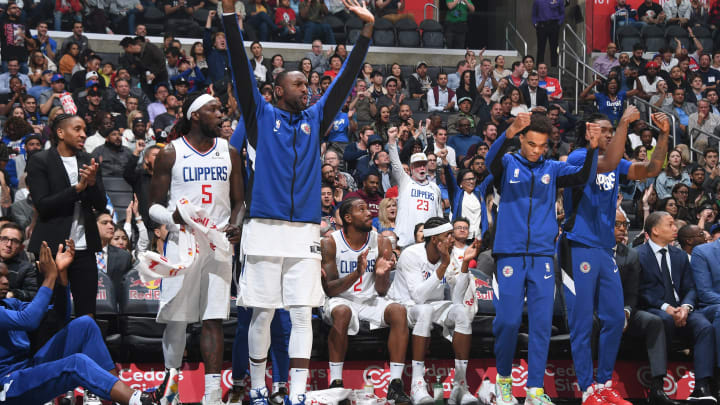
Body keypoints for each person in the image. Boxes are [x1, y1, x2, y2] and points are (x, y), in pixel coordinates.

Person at [222, 0, 375, 403]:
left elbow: (345, 79)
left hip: (304, 229)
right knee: (263, 311)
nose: (306, 90)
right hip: (264, 228)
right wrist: (227, 18)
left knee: (302, 313)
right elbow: (239, 67)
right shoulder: (260, 115)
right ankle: (257, 388)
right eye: (298, 85)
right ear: (276, 90)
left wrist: (366, 33)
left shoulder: (316, 120)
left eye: (307, 86)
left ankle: (298, 393)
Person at [560, 108, 670, 405]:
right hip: (578, 246)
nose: (610, 135)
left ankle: (604, 384)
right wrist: (623, 122)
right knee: (582, 322)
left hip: (604, 249)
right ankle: (586, 390)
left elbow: (650, 170)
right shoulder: (578, 159)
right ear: (589, 132)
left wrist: (664, 135)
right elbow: (607, 162)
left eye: (612, 131)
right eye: (605, 130)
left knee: (613, 318)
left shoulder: (616, 162)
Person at [488, 112, 599, 405]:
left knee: (540, 324)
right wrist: (509, 131)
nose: (537, 150)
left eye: (543, 145)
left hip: (542, 255)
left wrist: (592, 148)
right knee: (509, 322)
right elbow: (491, 162)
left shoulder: (552, 168)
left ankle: (535, 389)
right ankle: (502, 381)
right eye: (532, 144)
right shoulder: (509, 163)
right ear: (522, 139)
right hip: (510, 253)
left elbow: (583, 175)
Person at [148, 92, 244, 405]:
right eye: (214, 110)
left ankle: (213, 394)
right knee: (178, 317)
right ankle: (171, 388)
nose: (222, 114)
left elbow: (240, 200)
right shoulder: (170, 153)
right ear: (195, 115)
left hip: (217, 242)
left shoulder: (229, 151)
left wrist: (237, 224)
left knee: (213, 317)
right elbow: (151, 206)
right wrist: (170, 217)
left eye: (221, 109)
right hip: (183, 241)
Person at [0, 240, 163, 404]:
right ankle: (137, 400)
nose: (6, 281)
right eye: (0, 276)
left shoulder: (10, 304)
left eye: (6, 276)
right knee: (77, 363)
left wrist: (61, 276)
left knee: (85, 324)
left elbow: (58, 317)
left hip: (28, 369)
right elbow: (30, 320)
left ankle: (121, 398)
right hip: (7, 385)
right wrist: (50, 277)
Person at [320, 198, 410, 401]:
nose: (369, 213)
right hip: (340, 300)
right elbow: (330, 290)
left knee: (398, 311)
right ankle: (336, 382)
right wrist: (357, 272)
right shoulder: (330, 242)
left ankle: (395, 384)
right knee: (342, 312)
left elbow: (381, 290)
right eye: (362, 210)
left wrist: (380, 275)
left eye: (368, 209)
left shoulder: (381, 242)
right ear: (348, 218)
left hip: (369, 300)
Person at [388, 217, 480, 405]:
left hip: (435, 304)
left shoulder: (450, 255)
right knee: (425, 311)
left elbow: (457, 299)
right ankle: (417, 384)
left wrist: (463, 264)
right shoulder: (411, 254)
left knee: (461, 313)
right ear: (435, 240)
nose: (452, 240)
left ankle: (460, 386)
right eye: (448, 236)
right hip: (406, 305)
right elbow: (418, 297)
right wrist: (444, 265)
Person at [26, 114, 106, 317]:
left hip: (84, 247)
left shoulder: (89, 161)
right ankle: (51, 349)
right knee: (54, 311)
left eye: (85, 130)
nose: (83, 134)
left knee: (87, 312)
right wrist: (77, 189)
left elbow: (101, 204)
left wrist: (93, 183)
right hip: (52, 247)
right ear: (60, 132)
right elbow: (43, 205)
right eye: (77, 129)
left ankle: (82, 349)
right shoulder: (40, 160)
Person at [638, 211, 717, 402]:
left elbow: (691, 287)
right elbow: (640, 291)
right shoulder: (638, 254)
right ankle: (658, 387)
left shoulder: (680, 255)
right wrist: (666, 307)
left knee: (704, 326)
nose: (675, 228)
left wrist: (686, 307)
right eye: (670, 224)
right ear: (655, 230)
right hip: (655, 308)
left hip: (682, 309)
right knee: (663, 320)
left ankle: (701, 387)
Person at [614, 209, 681, 405]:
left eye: (625, 225)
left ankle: (657, 387)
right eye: (617, 225)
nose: (622, 229)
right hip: (597, 311)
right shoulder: (593, 252)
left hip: (626, 310)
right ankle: (592, 385)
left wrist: (626, 312)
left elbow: (634, 292)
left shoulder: (631, 254)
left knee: (654, 321)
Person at [0, 222, 37, 301]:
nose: (9, 245)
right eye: (4, 239)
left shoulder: (26, 268)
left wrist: (13, 294)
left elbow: (33, 294)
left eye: (15, 241)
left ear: (21, 247)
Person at [533, 0, 564, 67]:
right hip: (542, 25)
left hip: (554, 25)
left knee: (554, 47)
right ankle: (539, 66)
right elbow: (534, 13)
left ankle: (554, 66)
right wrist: (535, 23)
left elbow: (562, 13)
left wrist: (559, 24)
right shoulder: (537, 1)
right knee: (541, 48)